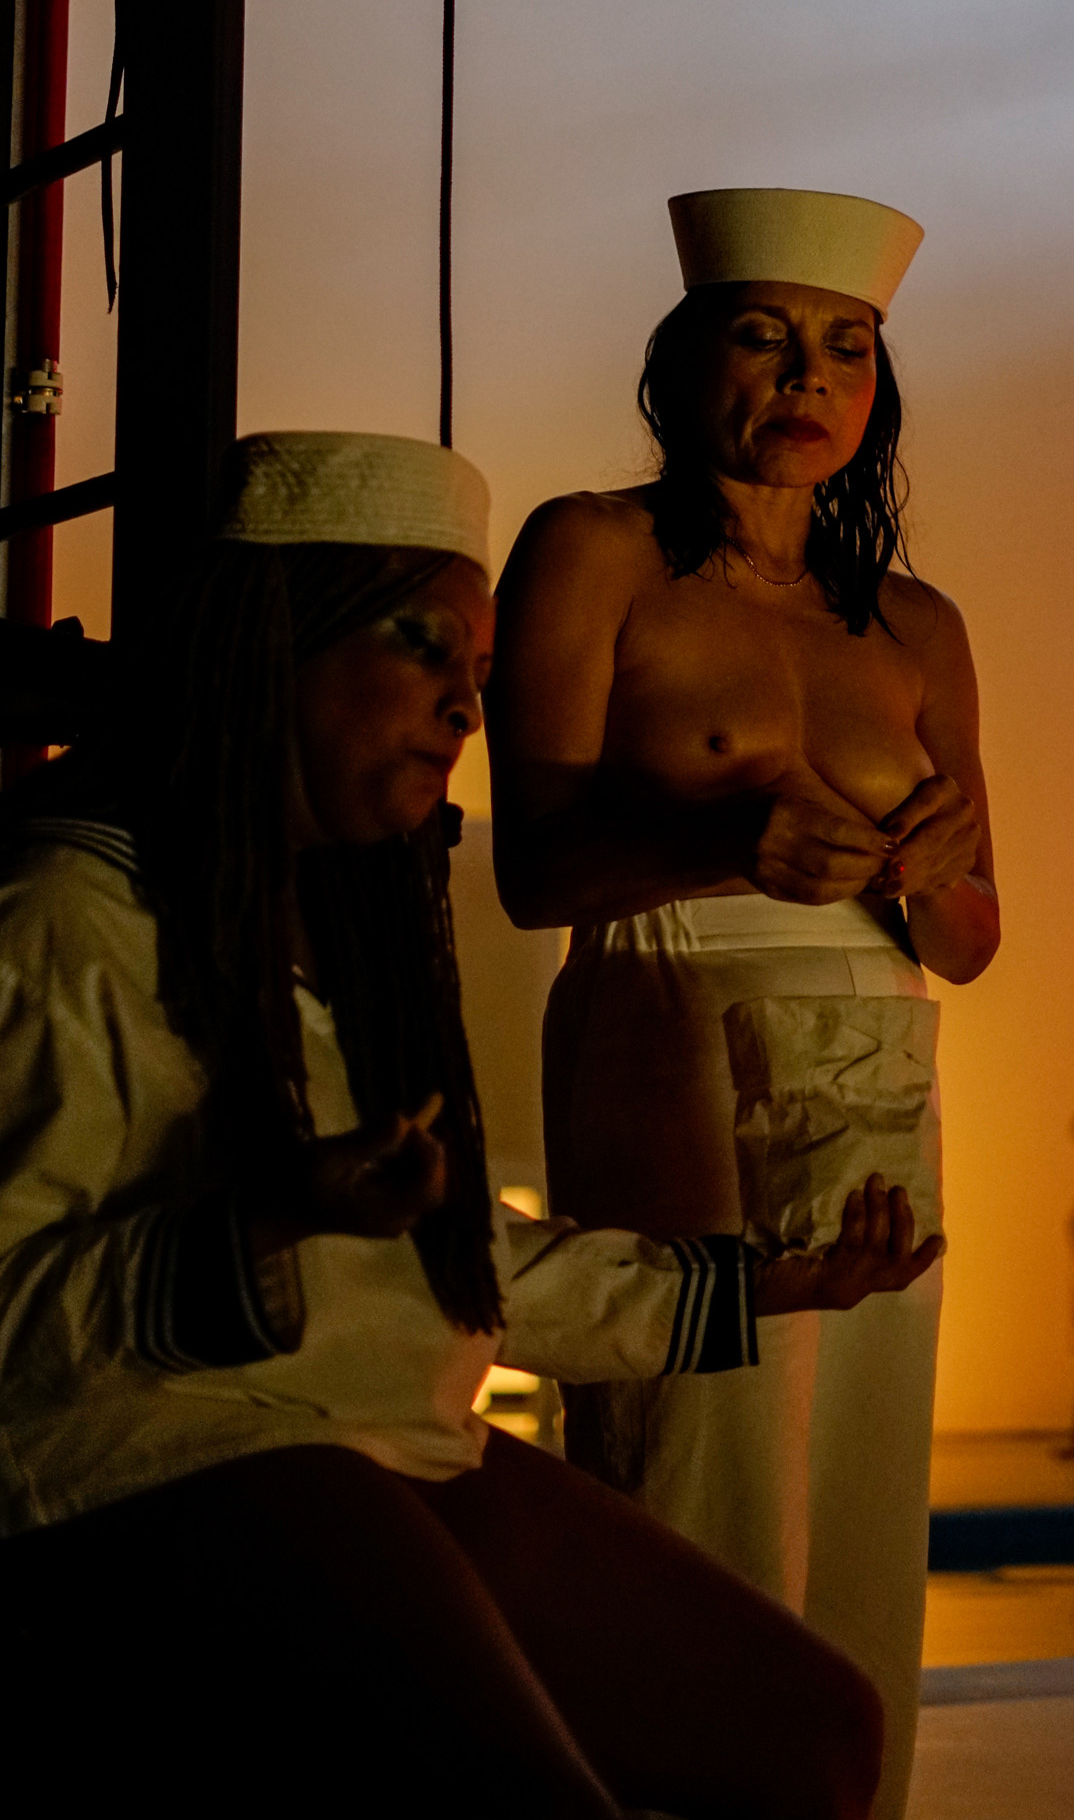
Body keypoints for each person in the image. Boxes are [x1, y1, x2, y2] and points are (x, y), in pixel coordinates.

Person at [0, 427, 938, 1819]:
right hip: (158, 1454)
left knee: (811, 1731)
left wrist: (763, 1282)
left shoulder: (349, 928)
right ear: (276, 647)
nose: (464, 707)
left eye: (481, 673)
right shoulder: (64, 921)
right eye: (422, 645)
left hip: (384, 1437)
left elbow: (451, 1270)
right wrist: (260, 1228)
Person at [491, 188, 999, 1820]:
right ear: (681, 359)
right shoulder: (595, 549)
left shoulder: (912, 621)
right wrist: (724, 838)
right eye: (764, 337)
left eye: (846, 347)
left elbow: (975, 938)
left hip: (878, 1052)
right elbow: (532, 870)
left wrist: (936, 873)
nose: (806, 376)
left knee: (860, 1483)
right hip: (666, 1016)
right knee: (689, 1450)